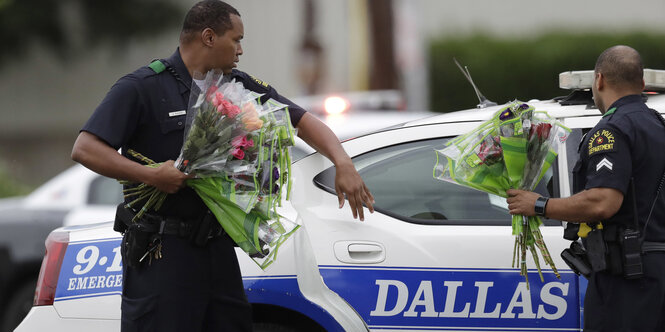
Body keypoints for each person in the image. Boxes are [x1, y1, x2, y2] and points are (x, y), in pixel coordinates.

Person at [71, 1, 374, 331]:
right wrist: (152, 175)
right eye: (236, 39)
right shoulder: (143, 87)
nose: (241, 50)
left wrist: (343, 162)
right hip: (163, 250)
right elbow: (85, 149)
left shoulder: (238, 85)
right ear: (209, 37)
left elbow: (301, 121)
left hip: (216, 248)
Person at [506, 45, 665, 331]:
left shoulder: (611, 130)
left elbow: (602, 202)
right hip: (655, 272)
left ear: (599, 80)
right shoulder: (658, 126)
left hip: (628, 280)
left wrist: (539, 204)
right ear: (642, 84)